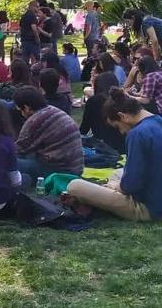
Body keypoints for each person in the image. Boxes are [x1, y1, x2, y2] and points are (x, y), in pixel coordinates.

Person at [67, 89, 162, 221]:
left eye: (118, 127)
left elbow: (131, 185)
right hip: (154, 193)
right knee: (118, 173)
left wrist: (118, 187)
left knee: (74, 186)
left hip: (149, 208)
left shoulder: (137, 134)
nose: (122, 132)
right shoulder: (158, 120)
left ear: (123, 116)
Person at [14, 87, 83, 178]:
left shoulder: (35, 121)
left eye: (20, 110)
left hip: (60, 171)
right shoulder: (53, 110)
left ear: (26, 108)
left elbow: (18, 149)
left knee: (8, 162)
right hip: (75, 167)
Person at [80, 72, 125, 153]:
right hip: (123, 144)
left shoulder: (93, 101)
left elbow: (84, 128)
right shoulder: (123, 99)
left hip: (102, 146)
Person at [18, 0, 41, 64]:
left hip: (24, 40)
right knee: (38, 58)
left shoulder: (23, 16)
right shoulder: (32, 16)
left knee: (25, 59)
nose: (38, 8)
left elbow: (20, 28)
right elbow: (34, 29)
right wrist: (37, 38)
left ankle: (25, 72)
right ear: (31, 6)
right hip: (32, 40)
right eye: (37, 6)